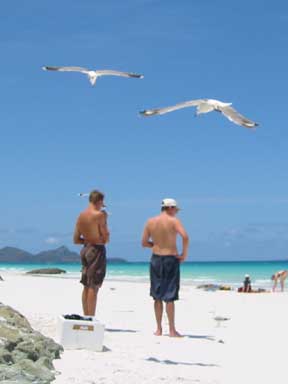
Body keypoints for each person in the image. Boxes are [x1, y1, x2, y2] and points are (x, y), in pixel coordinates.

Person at [141, 198, 189, 337]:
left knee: (157, 295)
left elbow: (144, 243)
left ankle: (159, 329)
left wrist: (155, 245)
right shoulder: (173, 221)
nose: (176, 213)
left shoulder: (150, 222)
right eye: (175, 210)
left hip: (156, 259)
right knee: (170, 295)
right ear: (170, 208)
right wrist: (184, 254)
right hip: (170, 258)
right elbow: (185, 237)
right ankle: (172, 330)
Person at [73, 190, 110, 316]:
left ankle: (86, 315)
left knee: (86, 284)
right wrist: (105, 220)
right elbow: (106, 238)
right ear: (99, 201)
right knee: (93, 286)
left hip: (85, 248)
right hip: (97, 250)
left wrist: (88, 239)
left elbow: (76, 239)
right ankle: (90, 318)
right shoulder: (100, 215)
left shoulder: (81, 216)